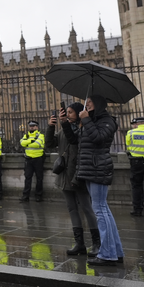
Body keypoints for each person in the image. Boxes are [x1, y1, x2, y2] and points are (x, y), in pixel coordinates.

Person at [76, 95, 124, 266]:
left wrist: (87, 121)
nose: (86, 103)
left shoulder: (107, 121)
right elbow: (80, 141)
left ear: (100, 104)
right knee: (103, 210)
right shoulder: (93, 120)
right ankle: (115, 251)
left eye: (90, 101)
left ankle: (108, 254)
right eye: (86, 101)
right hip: (90, 169)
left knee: (100, 210)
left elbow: (99, 139)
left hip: (98, 168)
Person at [49, 103, 100, 256]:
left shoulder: (82, 130)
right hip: (65, 176)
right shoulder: (64, 130)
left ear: (78, 114)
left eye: (71, 112)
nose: (68, 115)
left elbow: (75, 142)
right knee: (72, 209)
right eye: (67, 112)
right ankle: (79, 243)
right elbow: (49, 144)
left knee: (87, 208)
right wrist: (51, 127)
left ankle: (97, 243)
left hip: (78, 176)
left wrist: (64, 123)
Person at [19, 120, 46, 202]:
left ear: (37, 127)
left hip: (38, 159)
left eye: (33, 126)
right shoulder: (26, 135)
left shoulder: (40, 135)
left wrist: (27, 143)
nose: (31, 127)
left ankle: (38, 196)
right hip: (28, 159)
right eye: (30, 126)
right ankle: (25, 196)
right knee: (27, 178)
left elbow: (38, 144)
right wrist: (31, 141)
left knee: (39, 178)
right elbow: (22, 143)